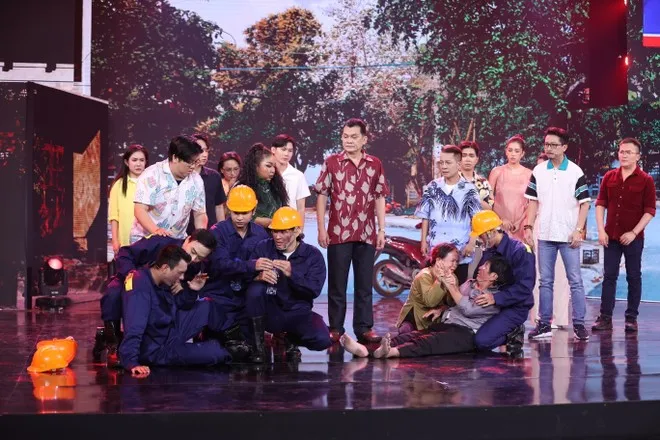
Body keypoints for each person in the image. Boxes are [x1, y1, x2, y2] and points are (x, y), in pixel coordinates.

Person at [341, 255, 510, 358]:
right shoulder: (470, 283)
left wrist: (450, 285)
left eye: (485, 266)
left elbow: (468, 309)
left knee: (427, 342)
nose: (480, 267)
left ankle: (390, 353)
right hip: (448, 323)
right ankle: (364, 349)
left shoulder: (492, 298)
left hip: (465, 333)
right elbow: (453, 304)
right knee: (410, 336)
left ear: (494, 276)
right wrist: (441, 309)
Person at [95, 229, 217, 368]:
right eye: (193, 251)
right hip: (135, 282)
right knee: (114, 293)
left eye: (200, 258)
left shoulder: (193, 266)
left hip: (161, 298)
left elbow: (183, 301)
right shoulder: (159, 242)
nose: (193, 259)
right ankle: (113, 341)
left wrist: (189, 289)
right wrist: (132, 274)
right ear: (188, 239)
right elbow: (125, 253)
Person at [315, 118, 388, 344]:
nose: (348, 141)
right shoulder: (331, 162)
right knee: (337, 284)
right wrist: (321, 229)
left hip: (367, 233)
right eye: (345, 136)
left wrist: (381, 230)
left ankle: (364, 328)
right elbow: (322, 196)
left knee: (364, 285)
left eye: (354, 137)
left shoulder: (375, 164)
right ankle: (336, 328)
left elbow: (379, 197)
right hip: (339, 233)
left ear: (364, 139)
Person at [119, 246, 231, 377]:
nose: (182, 277)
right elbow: (134, 327)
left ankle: (230, 338)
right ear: (165, 268)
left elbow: (181, 304)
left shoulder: (162, 278)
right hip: (157, 349)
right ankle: (226, 350)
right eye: (179, 272)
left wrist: (192, 290)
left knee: (207, 305)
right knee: (217, 353)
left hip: (170, 329)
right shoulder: (139, 288)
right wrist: (131, 362)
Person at [525, 127, 590, 341]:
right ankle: (544, 324)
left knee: (575, 281)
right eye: (547, 144)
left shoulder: (575, 171)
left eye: (554, 145)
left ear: (564, 147)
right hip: (544, 234)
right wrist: (528, 227)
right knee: (545, 281)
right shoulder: (538, 171)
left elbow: (585, 203)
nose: (549, 148)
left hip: (568, 236)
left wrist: (578, 230)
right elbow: (533, 202)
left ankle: (579, 324)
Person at [246, 207, 332, 361]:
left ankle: (288, 339)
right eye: (275, 231)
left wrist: (293, 274)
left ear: (297, 231)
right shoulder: (263, 247)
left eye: (283, 232)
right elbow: (243, 277)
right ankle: (258, 349)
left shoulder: (312, 255)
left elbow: (314, 290)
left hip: (298, 312)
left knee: (322, 340)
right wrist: (257, 276)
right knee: (255, 290)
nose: (277, 237)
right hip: (271, 312)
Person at [592, 137, 656, 333]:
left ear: (637, 156)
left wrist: (634, 232)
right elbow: (600, 204)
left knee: (633, 276)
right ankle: (605, 318)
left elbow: (650, 211)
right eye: (621, 151)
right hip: (610, 236)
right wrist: (601, 230)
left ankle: (631, 318)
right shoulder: (609, 177)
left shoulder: (646, 180)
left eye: (628, 152)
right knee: (609, 276)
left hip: (633, 238)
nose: (624, 155)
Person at [203, 185, 270, 351]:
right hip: (220, 292)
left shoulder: (261, 234)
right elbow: (221, 264)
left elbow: (267, 262)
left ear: (254, 211)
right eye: (235, 213)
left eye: (244, 213)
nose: (239, 217)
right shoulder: (217, 232)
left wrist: (261, 274)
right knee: (217, 345)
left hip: (246, 293)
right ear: (228, 210)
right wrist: (252, 265)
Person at [470, 210, 534, 352]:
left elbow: (525, 288)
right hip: (491, 302)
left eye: (481, 235)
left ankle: (512, 334)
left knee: (481, 341)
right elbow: (477, 275)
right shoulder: (489, 251)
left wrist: (496, 298)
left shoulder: (520, 251)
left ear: (490, 233)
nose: (480, 239)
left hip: (514, 307)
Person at [417, 145, 481, 285]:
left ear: (458, 164)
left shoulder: (470, 190)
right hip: (436, 251)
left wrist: (471, 243)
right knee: (434, 292)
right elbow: (425, 215)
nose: (444, 166)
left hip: (460, 254)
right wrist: (423, 241)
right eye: (441, 162)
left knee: (456, 291)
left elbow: (477, 220)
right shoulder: (432, 187)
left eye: (448, 162)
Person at [131, 135, 206, 243]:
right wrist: (156, 231)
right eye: (190, 162)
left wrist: (201, 238)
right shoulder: (152, 174)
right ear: (175, 158)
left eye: (196, 162)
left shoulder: (196, 180)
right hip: (146, 239)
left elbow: (200, 214)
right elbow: (140, 209)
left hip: (176, 241)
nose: (193, 166)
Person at [530, 152, 570, 328]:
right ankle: (540, 318)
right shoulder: (535, 180)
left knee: (561, 275)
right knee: (539, 275)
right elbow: (531, 206)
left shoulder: (569, 177)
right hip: (540, 227)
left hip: (563, 228)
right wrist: (528, 228)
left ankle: (560, 318)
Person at [395, 243, 459, 334]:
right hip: (416, 319)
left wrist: (453, 286)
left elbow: (453, 304)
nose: (455, 265)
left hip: (435, 319)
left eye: (456, 261)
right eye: (452, 261)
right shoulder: (424, 275)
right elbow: (430, 302)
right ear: (439, 260)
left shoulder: (452, 277)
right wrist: (439, 280)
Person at [489, 135, 532, 242]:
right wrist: (501, 219)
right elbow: (489, 199)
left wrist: (520, 222)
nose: (513, 154)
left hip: (521, 225)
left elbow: (532, 203)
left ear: (522, 153)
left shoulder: (529, 174)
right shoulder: (497, 172)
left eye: (517, 151)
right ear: (506, 152)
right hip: (499, 224)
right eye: (510, 150)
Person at [237, 143, 289, 228]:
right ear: (255, 166)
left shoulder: (276, 187)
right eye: (268, 166)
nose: (273, 170)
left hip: (276, 233)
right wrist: (267, 222)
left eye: (274, 167)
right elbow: (238, 217)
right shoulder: (242, 188)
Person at [109, 144, 148, 254]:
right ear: (127, 162)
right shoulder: (118, 185)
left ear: (146, 162)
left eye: (142, 160)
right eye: (134, 160)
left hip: (147, 240)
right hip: (125, 241)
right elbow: (114, 216)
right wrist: (115, 240)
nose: (138, 164)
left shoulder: (151, 184)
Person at [187, 133, 226, 235]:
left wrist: (222, 231)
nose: (204, 154)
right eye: (200, 150)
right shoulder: (183, 176)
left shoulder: (214, 176)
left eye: (206, 150)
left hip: (210, 232)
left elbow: (219, 207)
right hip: (184, 232)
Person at [271, 134, 311, 226]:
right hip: (267, 224)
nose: (286, 154)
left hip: (290, 226)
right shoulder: (265, 172)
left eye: (290, 151)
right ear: (273, 150)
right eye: (283, 149)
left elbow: (301, 208)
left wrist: (300, 231)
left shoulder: (298, 176)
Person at [459, 141, 493, 210]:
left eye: (471, 156)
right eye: (464, 155)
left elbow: (490, 208)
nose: (467, 159)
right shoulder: (450, 180)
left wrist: (474, 198)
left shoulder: (484, 183)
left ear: (476, 160)